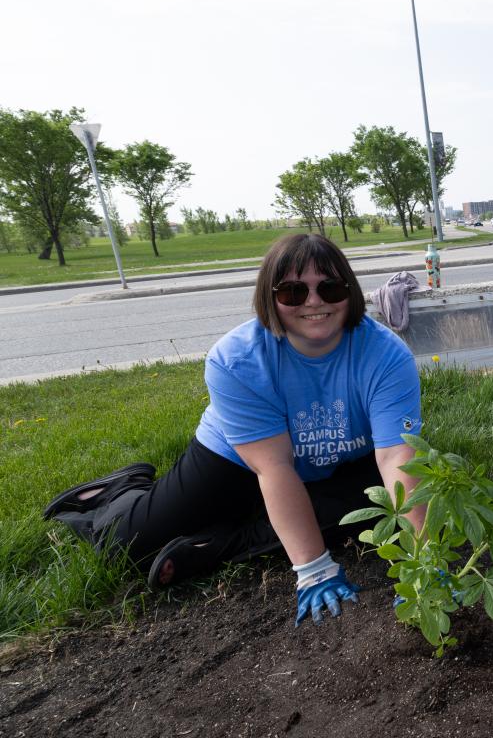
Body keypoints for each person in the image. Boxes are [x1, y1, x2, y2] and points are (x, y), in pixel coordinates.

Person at [43, 234, 424, 626]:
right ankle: (122, 488)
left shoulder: (385, 354)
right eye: (293, 292)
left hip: (341, 458)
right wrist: (313, 569)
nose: (314, 301)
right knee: (124, 546)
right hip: (237, 459)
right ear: (268, 298)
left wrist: (425, 560)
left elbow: (397, 455)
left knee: (372, 516)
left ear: (351, 291)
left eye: (330, 287)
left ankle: (215, 545)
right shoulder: (236, 358)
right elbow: (273, 467)